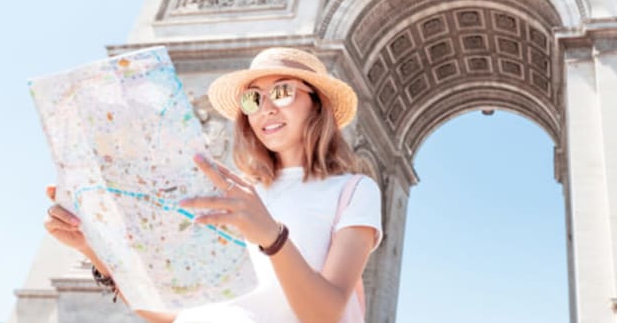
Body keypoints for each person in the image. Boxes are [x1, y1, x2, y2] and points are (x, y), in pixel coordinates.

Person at [44, 47, 383, 323]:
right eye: (252, 99)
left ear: (317, 103)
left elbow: (325, 315)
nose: (265, 108)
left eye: (282, 92)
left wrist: (271, 236)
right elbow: (171, 313)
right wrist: (93, 248)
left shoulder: (353, 190)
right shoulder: (230, 190)